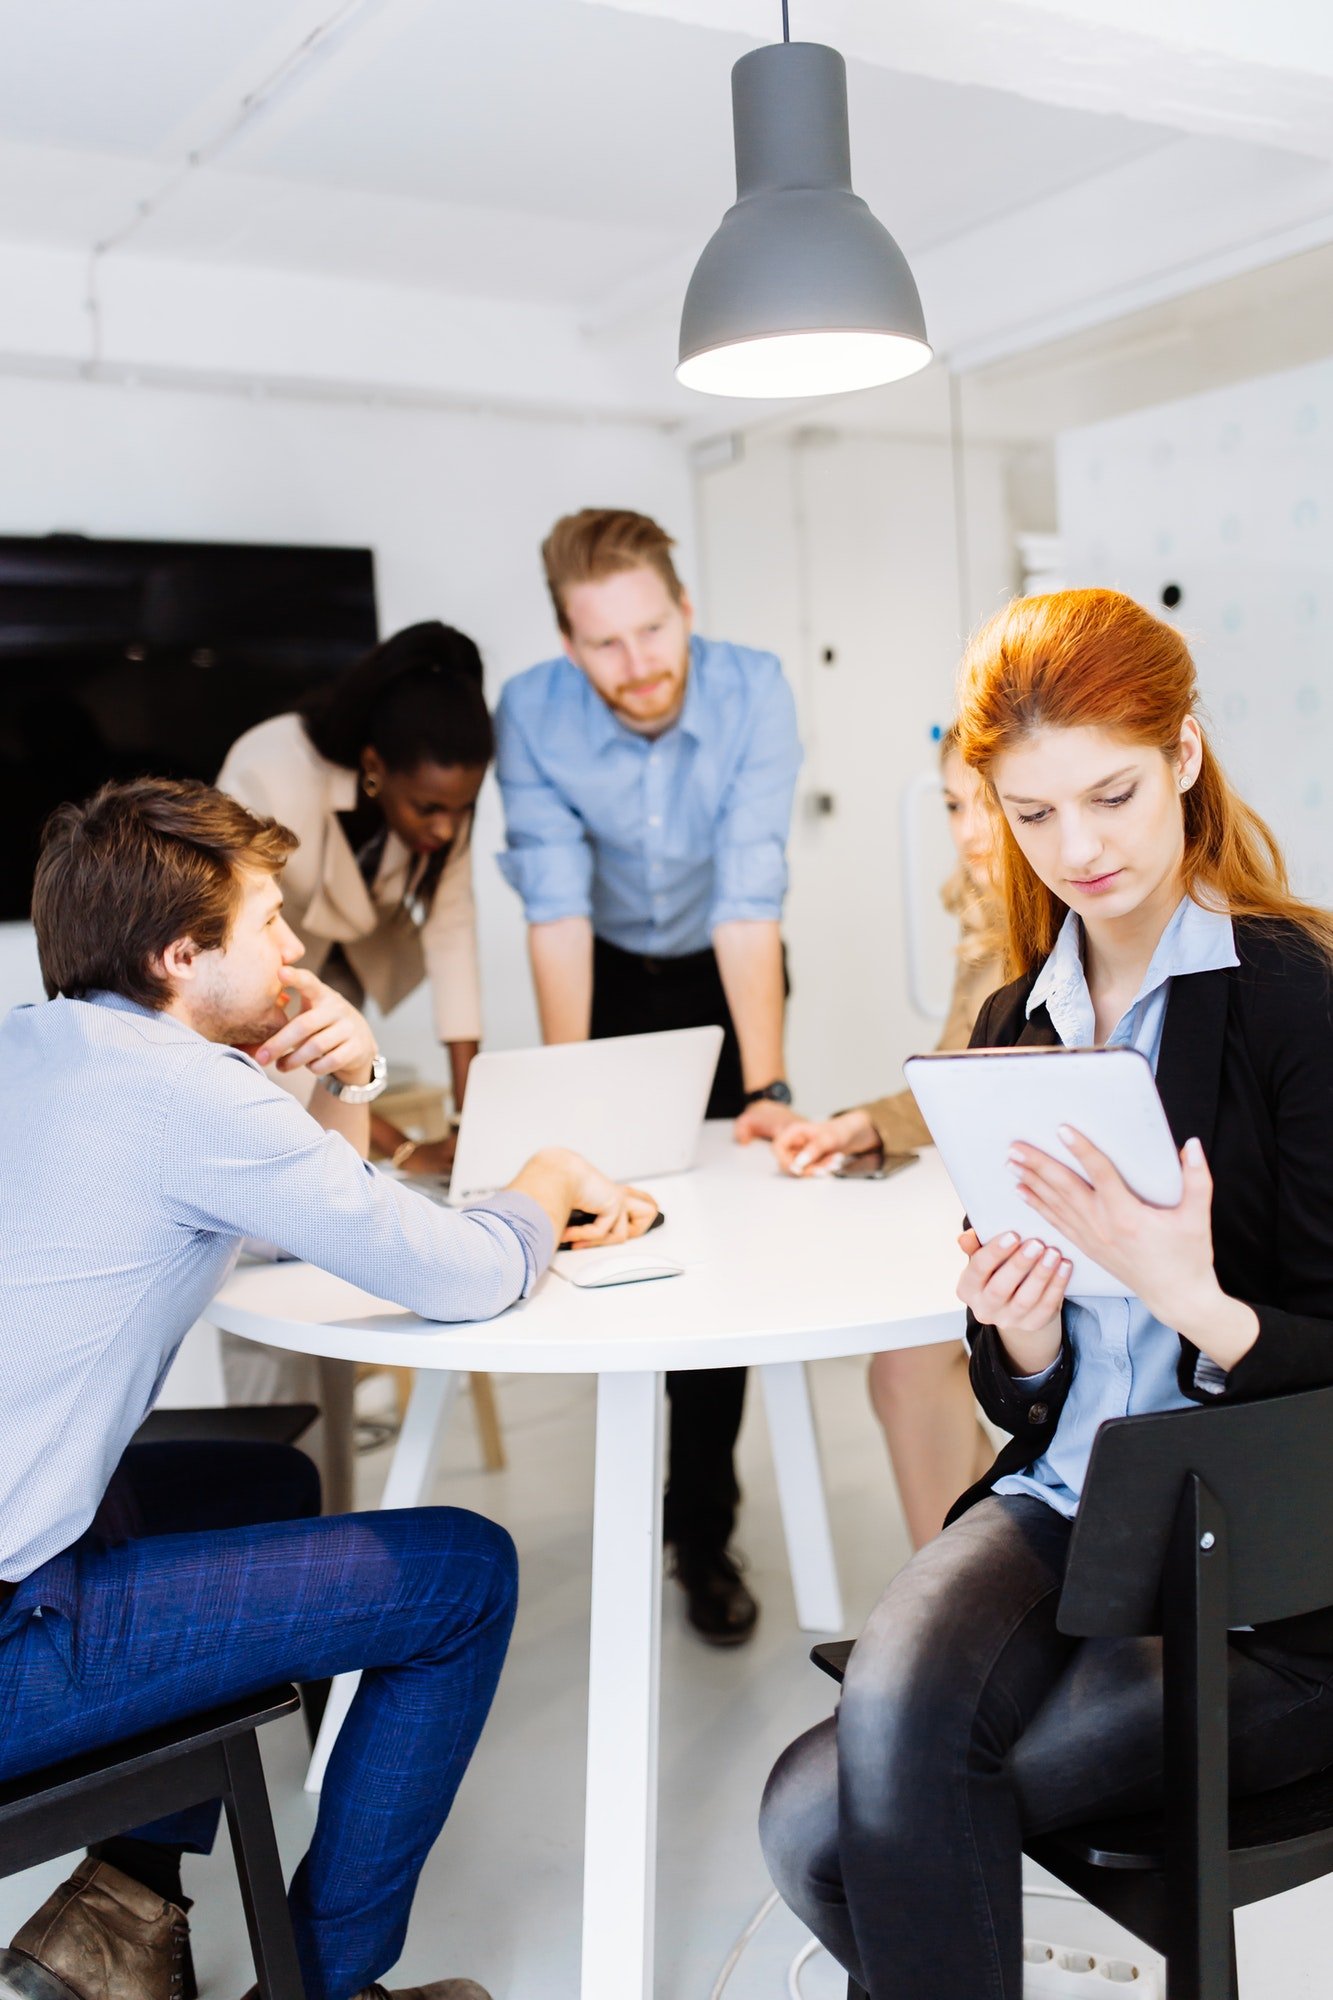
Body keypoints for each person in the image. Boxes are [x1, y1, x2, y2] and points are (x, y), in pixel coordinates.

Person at [759, 588, 1333, 2000]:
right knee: (812, 1813)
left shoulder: (1293, 998)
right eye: (1031, 816)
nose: (1079, 850)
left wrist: (1193, 1301)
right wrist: (1017, 1326)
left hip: (1275, 1572)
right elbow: (1022, 1385)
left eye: (1113, 795)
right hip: (1077, 1505)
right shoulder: (1016, 1025)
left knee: (835, 1824)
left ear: (1185, 756)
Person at [0, 777, 656, 2000]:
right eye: (267, 925)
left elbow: (273, 1218)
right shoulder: (191, 1094)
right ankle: (329, 1982)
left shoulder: (39, 1045)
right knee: (465, 1575)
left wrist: (324, 1082)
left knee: (266, 1476)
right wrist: (549, 1176)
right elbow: (463, 1272)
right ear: (180, 954)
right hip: (8, 1642)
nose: (299, 950)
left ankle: (119, 1917)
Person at [494, 507, 802, 1646]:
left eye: (653, 630)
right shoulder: (532, 711)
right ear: (570, 646)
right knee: (608, 1231)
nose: (639, 666)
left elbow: (748, 898)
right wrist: (571, 1098)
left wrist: (764, 1087)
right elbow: (557, 911)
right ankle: (628, 1488)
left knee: (723, 1244)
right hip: (609, 974)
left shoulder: (753, 689)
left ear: (687, 609)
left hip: (732, 975)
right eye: (605, 644)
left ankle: (701, 1526)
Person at [739, 729, 1004, 1548]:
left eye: (989, 805)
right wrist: (857, 1125)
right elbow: (954, 1079)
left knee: (908, 1366)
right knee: (908, 1367)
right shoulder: (985, 909)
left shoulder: (1060, 919)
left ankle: (951, 1605)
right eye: (954, 806)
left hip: (1054, 1223)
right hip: (992, 1211)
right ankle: (976, 1588)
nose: (967, 831)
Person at [218, 619, 492, 1175]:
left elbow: (452, 937)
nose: (447, 830)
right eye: (430, 809)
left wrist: (474, 1121)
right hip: (257, 949)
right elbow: (237, 945)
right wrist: (407, 1150)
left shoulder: (443, 799)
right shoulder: (271, 772)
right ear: (373, 766)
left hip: (350, 951)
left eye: (463, 809)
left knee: (337, 1080)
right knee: (278, 1096)